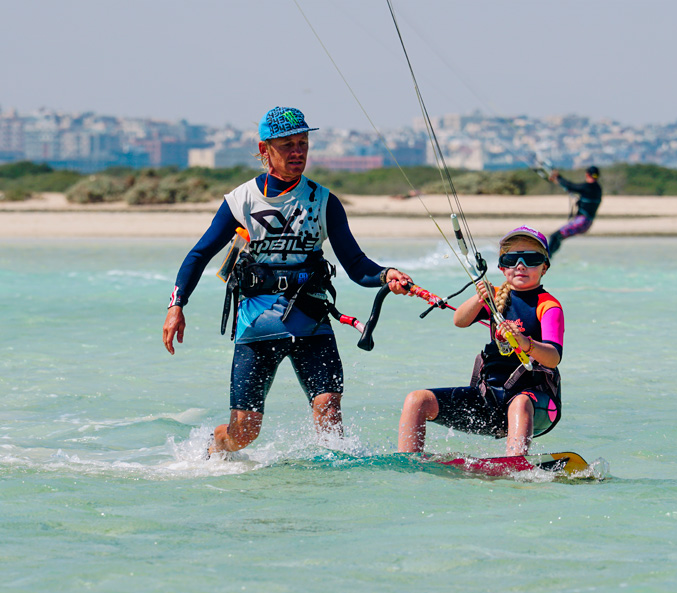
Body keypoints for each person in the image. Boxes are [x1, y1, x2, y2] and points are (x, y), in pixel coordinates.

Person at [163, 106, 412, 456]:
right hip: (257, 324)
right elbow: (198, 255)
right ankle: (213, 448)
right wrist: (177, 305)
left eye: (303, 143)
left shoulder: (324, 202)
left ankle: (330, 488)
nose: (298, 152)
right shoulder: (241, 201)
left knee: (329, 408)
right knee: (245, 433)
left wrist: (386, 275)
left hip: (311, 320)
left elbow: (356, 264)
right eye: (288, 145)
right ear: (265, 150)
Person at [397, 226, 563, 457]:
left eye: (531, 259)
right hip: (490, 399)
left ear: (544, 267)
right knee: (417, 400)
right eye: (512, 259)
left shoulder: (548, 306)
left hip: (538, 405)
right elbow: (459, 320)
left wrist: (525, 342)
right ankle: (408, 461)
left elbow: (554, 358)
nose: (521, 265)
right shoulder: (495, 297)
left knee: (520, 402)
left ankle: (515, 463)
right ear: (502, 266)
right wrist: (478, 298)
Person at [547, 165, 602, 257]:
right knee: (558, 237)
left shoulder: (588, 187)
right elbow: (572, 187)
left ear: (587, 174)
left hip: (581, 222)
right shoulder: (597, 188)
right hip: (586, 223)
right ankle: (548, 257)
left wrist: (558, 177)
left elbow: (571, 186)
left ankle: (546, 258)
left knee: (555, 236)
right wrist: (558, 179)